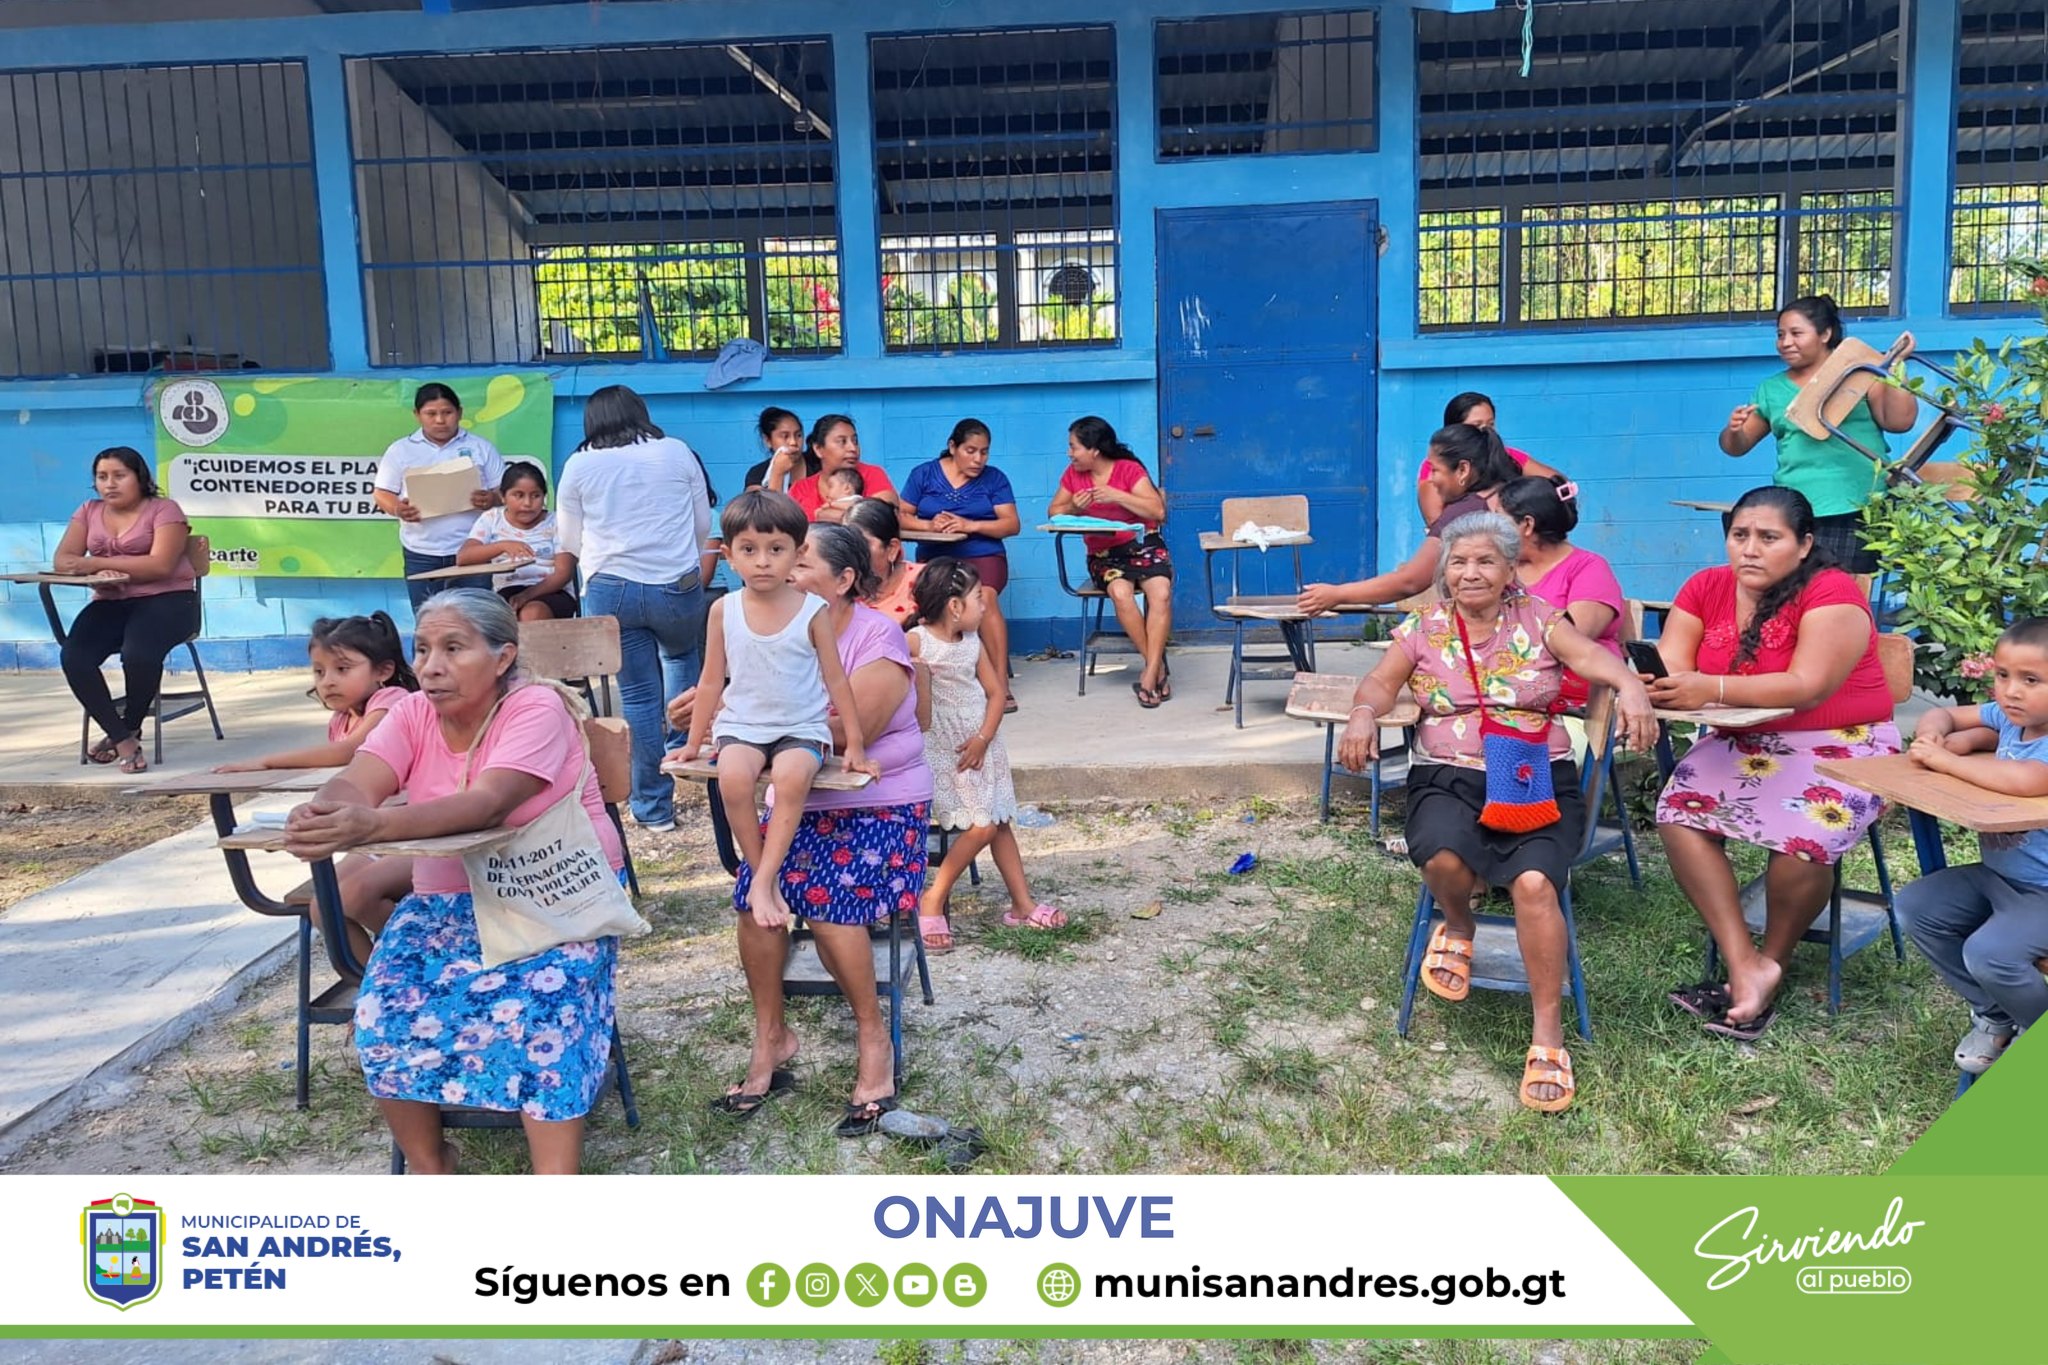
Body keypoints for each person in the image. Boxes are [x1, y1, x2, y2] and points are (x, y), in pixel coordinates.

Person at [283, 589, 626, 1174]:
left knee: (543, 1007)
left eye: (453, 648)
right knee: (382, 1012)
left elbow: (488, 803)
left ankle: (556, 1179)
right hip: (446, 900)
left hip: (552, 897)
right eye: (422, 649)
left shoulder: (535, 707)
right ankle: (431, 1164)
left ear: (502, 657)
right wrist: (326, 811)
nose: (432, 666)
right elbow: (360, 779)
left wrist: (372, 824)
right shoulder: (414, 713)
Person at [1336, 512, 1656, 1113]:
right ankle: (1459, 926)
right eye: (1458, 561)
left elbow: (1596, 659)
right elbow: (1380, 682)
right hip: (1447, 775)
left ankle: (1547, 1034)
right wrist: (1362, 714)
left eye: (1485, 560)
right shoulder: (1424, 626)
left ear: (1511, 568)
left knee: (1535, 883)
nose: (1470, 572)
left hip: (1534, 775)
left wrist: (1632, 686)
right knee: (1441, 856)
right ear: (1445, 571)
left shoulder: (1541, 619)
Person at [665, 524, 933, 1132]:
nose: (779, 565)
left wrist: (733, 710)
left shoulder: (878, 636)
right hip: (800, 804)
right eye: (764, 552)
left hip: (879, 805)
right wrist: (718, 715)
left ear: (843, 580)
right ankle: (771, 1036)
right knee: (752, 901)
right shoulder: (752, 619)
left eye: (798, 558)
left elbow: (846, 728)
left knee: (829, 900)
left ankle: (873, 1035)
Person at [1653, 486, 1900, 1040]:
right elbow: (1673, 661)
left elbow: (1808, 685)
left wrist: (1712, 687)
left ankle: (1776, 958)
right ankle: (1745, 963)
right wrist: (1655, 683)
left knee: (1804, 838)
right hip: (1747, 741)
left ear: (1804, 543)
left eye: (1769, 537)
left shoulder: (1832, 591)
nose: (1750, 549)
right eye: (1740, 535)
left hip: (1843, 742)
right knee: (1678, 814)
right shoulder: (1706, 586)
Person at [674, 490, 876, 924]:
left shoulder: (813, 611)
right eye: (749, 550)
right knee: (732, 779)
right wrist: (692, 744)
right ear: (729, 557)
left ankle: (764, 877)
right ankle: (760, 872)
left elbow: (837, 680)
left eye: (776, 549)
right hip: (742, 727)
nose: (763, 561)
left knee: (791, 777)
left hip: (802, 728)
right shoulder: (723, 610)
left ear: (798, 553)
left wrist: (856, 745)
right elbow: (710, 680)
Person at [214, 611, 420, 959]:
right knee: (324, 907)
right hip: (375, 837)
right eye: (319, 672)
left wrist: (266, 762)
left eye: (342, 669)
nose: (328, 682)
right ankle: (371, 983)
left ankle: (423, 963)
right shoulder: (342, 719)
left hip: (413, 831)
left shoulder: (394, 701)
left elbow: (347, 752)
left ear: (383, 671)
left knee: (353, 897)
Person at [557, 385, 713, 834]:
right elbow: (702, 524)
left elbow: (568, 540)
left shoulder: (579, 463)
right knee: (681, 657)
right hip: (677, 583)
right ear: (640, 412)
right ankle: (685, 750)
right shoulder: (676, 451)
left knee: (639, 696)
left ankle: (652, 807)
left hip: (611, 588)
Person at [1896, 617, 2048, 1074]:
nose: (2011, 691)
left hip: (2044, 891)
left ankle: (2036, 1030)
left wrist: (1944, 759)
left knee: (1990, 954)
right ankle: (1996, 1013)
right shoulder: (2010, 720)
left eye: (2031, 680)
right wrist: (1933, 733)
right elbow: (1950, 715)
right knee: (1916, 907)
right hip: (2001, 877)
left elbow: (2026, 780)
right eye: (2002, 675)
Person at [907, 557, 1063, 953]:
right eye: (978, 597)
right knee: (983, 826)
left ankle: (1022, 904)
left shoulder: (972, 643)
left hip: (982, 746)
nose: (984, 604)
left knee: (999, 821)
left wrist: (983, 737)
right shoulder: (916, 641)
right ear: (954, 606)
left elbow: (996, 694)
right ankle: (933, 898)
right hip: (947, 751)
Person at [1718, 295, 1918, 573]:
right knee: (1796, 591)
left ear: (1825, 334)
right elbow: (1736, 447)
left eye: (1796, 333)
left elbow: (1899, 422)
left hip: (1861, 505)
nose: (1785, 342)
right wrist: (1734, 430)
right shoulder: (1770, 389)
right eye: (1780, 335)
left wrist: (1897, 368)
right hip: (1796, 512)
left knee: (1844, 591)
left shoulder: (1859, 374)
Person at [54, 446, 200, 775]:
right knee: (74, 656)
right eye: (102, 477)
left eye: (119, 476)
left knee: (138, 653)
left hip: (168, 600)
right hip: (111, 601)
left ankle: (131, 724)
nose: (110, 484)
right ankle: (122, 739)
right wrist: (99, 571)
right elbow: (63, 560)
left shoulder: (164, 510)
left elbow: (160, 566)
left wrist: (94, 563)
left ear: (139, 478)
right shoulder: (88, 511)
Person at [1299, 423, 1520, 616]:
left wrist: (1337, 594)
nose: (1430, 479)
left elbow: (1410, 581)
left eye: (1435, 470)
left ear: (1463, 469)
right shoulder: (1513, 494)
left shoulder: (1464, 514)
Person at [1049, 415, 1173, 707]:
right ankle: (1156, 667)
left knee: (1161, 593)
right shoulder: (1073, 474)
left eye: (1074, 447)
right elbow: (1053, 512)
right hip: (1104, 555)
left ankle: (1150, 673)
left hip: (1143, 546)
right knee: (1120, 592)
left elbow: (1158, 512)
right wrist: (1073, 507)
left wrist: (1117, 495)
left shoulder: (1129, 470)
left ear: (1094, 450)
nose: (1069, 453)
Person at [897, 418, 1022, 707]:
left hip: (983, 554)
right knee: (917, 601)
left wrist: (970, 525)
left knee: (985, 598)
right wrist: (929, 525)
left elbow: (1011, 524)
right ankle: (920, 681)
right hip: (936, 556)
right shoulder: (923, 474)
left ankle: (999, 685)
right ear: (953, 447)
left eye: (984, 452)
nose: (978, 459)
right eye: (970, 450)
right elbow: (901, 516)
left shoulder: (995, 479)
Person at [1493, 474, 1625, 708]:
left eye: (1498, 520)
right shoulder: (1502, 567)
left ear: (1527, 525)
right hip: (1508, 695)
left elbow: (1572, 642)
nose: (1489, 529)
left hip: (1577, 706)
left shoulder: (1589, 569)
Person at [373, 383, 506, 614]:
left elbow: (505, 491)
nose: (440, 420)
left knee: (478, 621)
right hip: (421, 552)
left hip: (473, 549)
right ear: (417, 415)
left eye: (447, 412)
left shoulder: (480, 447)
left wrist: (492, 498)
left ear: (460, 413)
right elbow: (382, 493)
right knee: (428, 621)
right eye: (431, 414)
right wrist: (398, 509)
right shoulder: (401, 450)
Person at [1416, 392, 1561, 525]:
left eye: (1491, 424)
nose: (1486, 431)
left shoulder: (1508, 455)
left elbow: (1558, 482)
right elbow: (1434, 521)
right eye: (1476, 425)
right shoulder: (1437, 463)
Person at [457, 462, 578, 622]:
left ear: (544, 496)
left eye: (535, 496)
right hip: (508, 589)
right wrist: (502, 546)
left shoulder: (557, 522)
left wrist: (525, 596)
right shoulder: (492, 519)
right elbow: (463, 557)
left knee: (532, 613)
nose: (527, 503)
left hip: (552, 590)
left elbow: (563, 573)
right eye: (518, 495)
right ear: (503, 497)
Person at [786, 414, 898, 521]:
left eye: (855, 441)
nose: (853, 448)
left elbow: (884, 517)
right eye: (842, 442)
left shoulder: (873, 474)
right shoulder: (800, 489)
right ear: (818, 449)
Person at [844, 498, 924, 628]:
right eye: (847, 543)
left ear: (892, 548)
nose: (853, 551)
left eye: (863, 543)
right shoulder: (838, 588)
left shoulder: (925, 580)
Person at [743, 406, 813, 492]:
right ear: (768, 440)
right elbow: (761, 501)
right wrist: (777, 473)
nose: (793, 442)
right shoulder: (757, 475)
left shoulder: (818, 466)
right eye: (785, 436)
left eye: (798, 435)